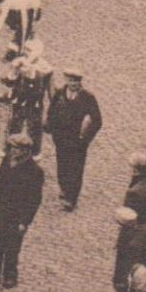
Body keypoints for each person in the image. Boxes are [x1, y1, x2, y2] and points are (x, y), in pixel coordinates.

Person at [0, 132, 45, 290]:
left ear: (26, 151)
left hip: (16, 214)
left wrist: (24, 221)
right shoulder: (7, 162)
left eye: (17, 149)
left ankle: (10, 275)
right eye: (12, 148)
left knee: (12, 246)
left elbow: (34, 200)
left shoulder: (34, 171)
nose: (13, 151)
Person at [46, 69, 103, 210]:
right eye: (70, 80)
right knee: (62, 165)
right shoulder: (59, 93)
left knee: (76, 169)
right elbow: (51, 111)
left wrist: (85, 138)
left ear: (80, 82)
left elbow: (97, 120)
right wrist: (52, 128)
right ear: (66, 80)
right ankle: (64, 190)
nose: (73, 84)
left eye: (76, 81)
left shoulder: (87, 97)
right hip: (60, 139)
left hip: (77, 141)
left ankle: (72, 198)